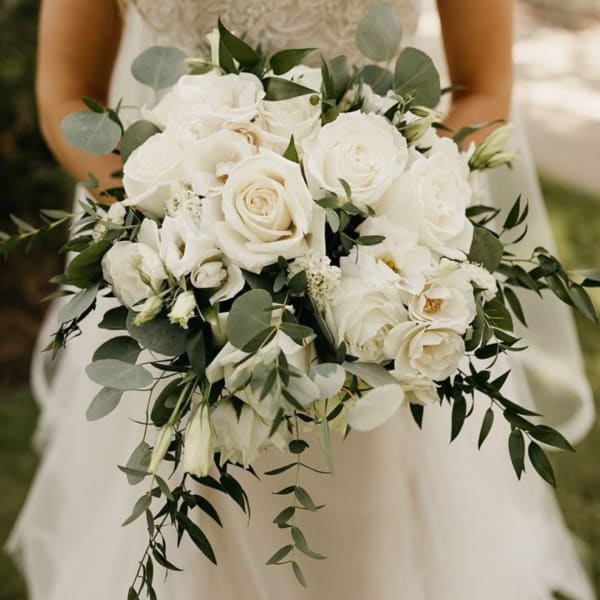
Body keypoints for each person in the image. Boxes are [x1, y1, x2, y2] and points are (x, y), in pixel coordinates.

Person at [7, 1, 596, 598]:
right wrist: (173, 228)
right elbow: (67, 92)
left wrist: (390, 218)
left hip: (375, 299)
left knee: (366, 544)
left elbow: (486, 87)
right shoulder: (177, 250)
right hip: (188, 285)